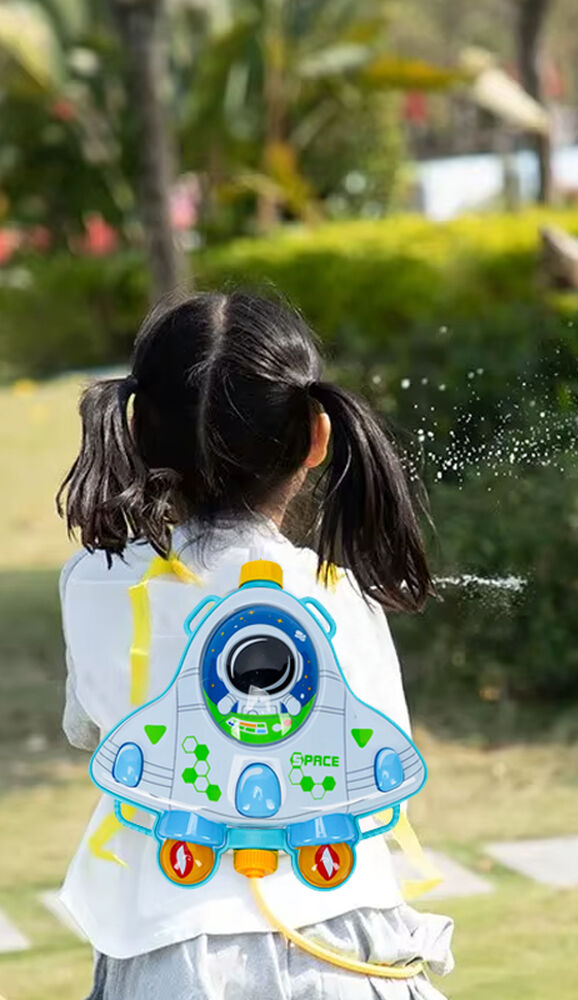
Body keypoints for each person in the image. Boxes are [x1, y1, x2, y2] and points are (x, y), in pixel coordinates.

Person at [55, 291, 454, 1000]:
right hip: (346, 941)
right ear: (317, 437)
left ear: (139, 429)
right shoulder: (339, 592)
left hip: (171, 953)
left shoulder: (96, 583)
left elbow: (92, 728)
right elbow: (382, 744)